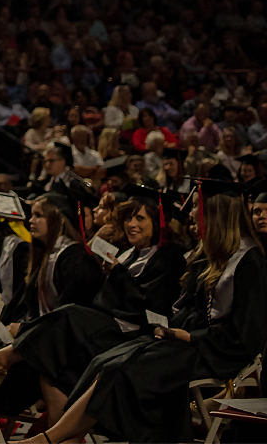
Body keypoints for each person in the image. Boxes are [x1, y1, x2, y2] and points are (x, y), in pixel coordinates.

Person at [18, 184, 267, 444]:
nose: (191, 214)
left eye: (196, 208)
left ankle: (49, 439)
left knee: (122, 369)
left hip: (217, 352)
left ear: (217, 215)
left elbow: (245, 334)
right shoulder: (214, 256)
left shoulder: (250, 262)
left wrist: (191, 336)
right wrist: (172, 330)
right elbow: (191, 311)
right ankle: (61, 439)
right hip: (189, 343)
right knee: (105, 362)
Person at [0, 185, 186, 423]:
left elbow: (151, 306)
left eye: (140, 218)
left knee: (69, 315)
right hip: (108, 328)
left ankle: (4, 359)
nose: (131, 224)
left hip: (136, 336)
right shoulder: (128, 254)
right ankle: (52, 431)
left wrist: (118, 275)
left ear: (158, 220)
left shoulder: (168, 258)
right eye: (129, 217)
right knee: (50, 362)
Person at [7, 192, 103, 335]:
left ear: (60, 220)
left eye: (39, 216)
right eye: (32, 215)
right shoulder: (44, 255)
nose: (31, 221)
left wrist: (24, 330)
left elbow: (69, 316)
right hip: (40, 333)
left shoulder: (75, 259)